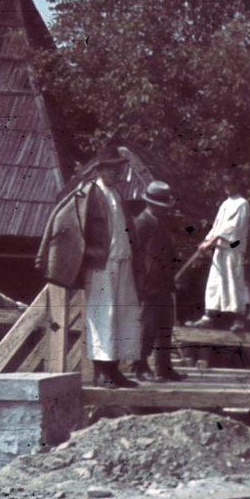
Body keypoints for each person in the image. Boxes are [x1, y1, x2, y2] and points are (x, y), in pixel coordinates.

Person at [80, 158, 141, 389]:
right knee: (102, 315)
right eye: (111, 168)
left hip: (123, 262)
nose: (116, 172)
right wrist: (86, 249)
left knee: (122, 317)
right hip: (101, 266)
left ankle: (115, 371)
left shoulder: (116, 194)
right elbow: (72, 225)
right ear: (100, 169)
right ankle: (101, 373)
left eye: (118, 169)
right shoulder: (89, 193)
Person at [130, 181, 184, 383]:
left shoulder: (161, 222)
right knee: (146, 327)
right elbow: (135, 256)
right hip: (148, 286)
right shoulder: (140, 223)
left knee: (165, 326)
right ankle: (140, 366)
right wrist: (140, 284)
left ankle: (164, 367)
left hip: (164, 283)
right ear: (152, 204)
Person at [187, 174, 249, 330]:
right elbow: (216, 226)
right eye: (225, 185)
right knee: (215, 281)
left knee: (232, 281)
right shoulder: (225, 204)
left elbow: (232, 227)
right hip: (220, 248)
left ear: (237, 185)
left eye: (231, 184)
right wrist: (207, 240)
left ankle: (238, 319)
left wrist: (212, 241)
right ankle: (209, 315)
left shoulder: (242, 203)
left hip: (232, 248)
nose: (227, 187)